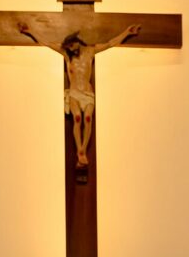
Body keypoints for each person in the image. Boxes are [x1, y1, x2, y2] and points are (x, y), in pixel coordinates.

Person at [18, 22, 141, 165]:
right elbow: (47, 43)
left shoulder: (90, 51)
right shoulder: (66, 54)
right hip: (75, 92)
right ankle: (80, 152)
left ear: (76, 42)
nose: (70, 48)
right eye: (68, 47)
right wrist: (30, 31)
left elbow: (110, 43)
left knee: (87, 118)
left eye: (71, 45)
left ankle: (82, 150)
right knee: (77, 118)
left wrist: (127, 32)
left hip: (87, 92)